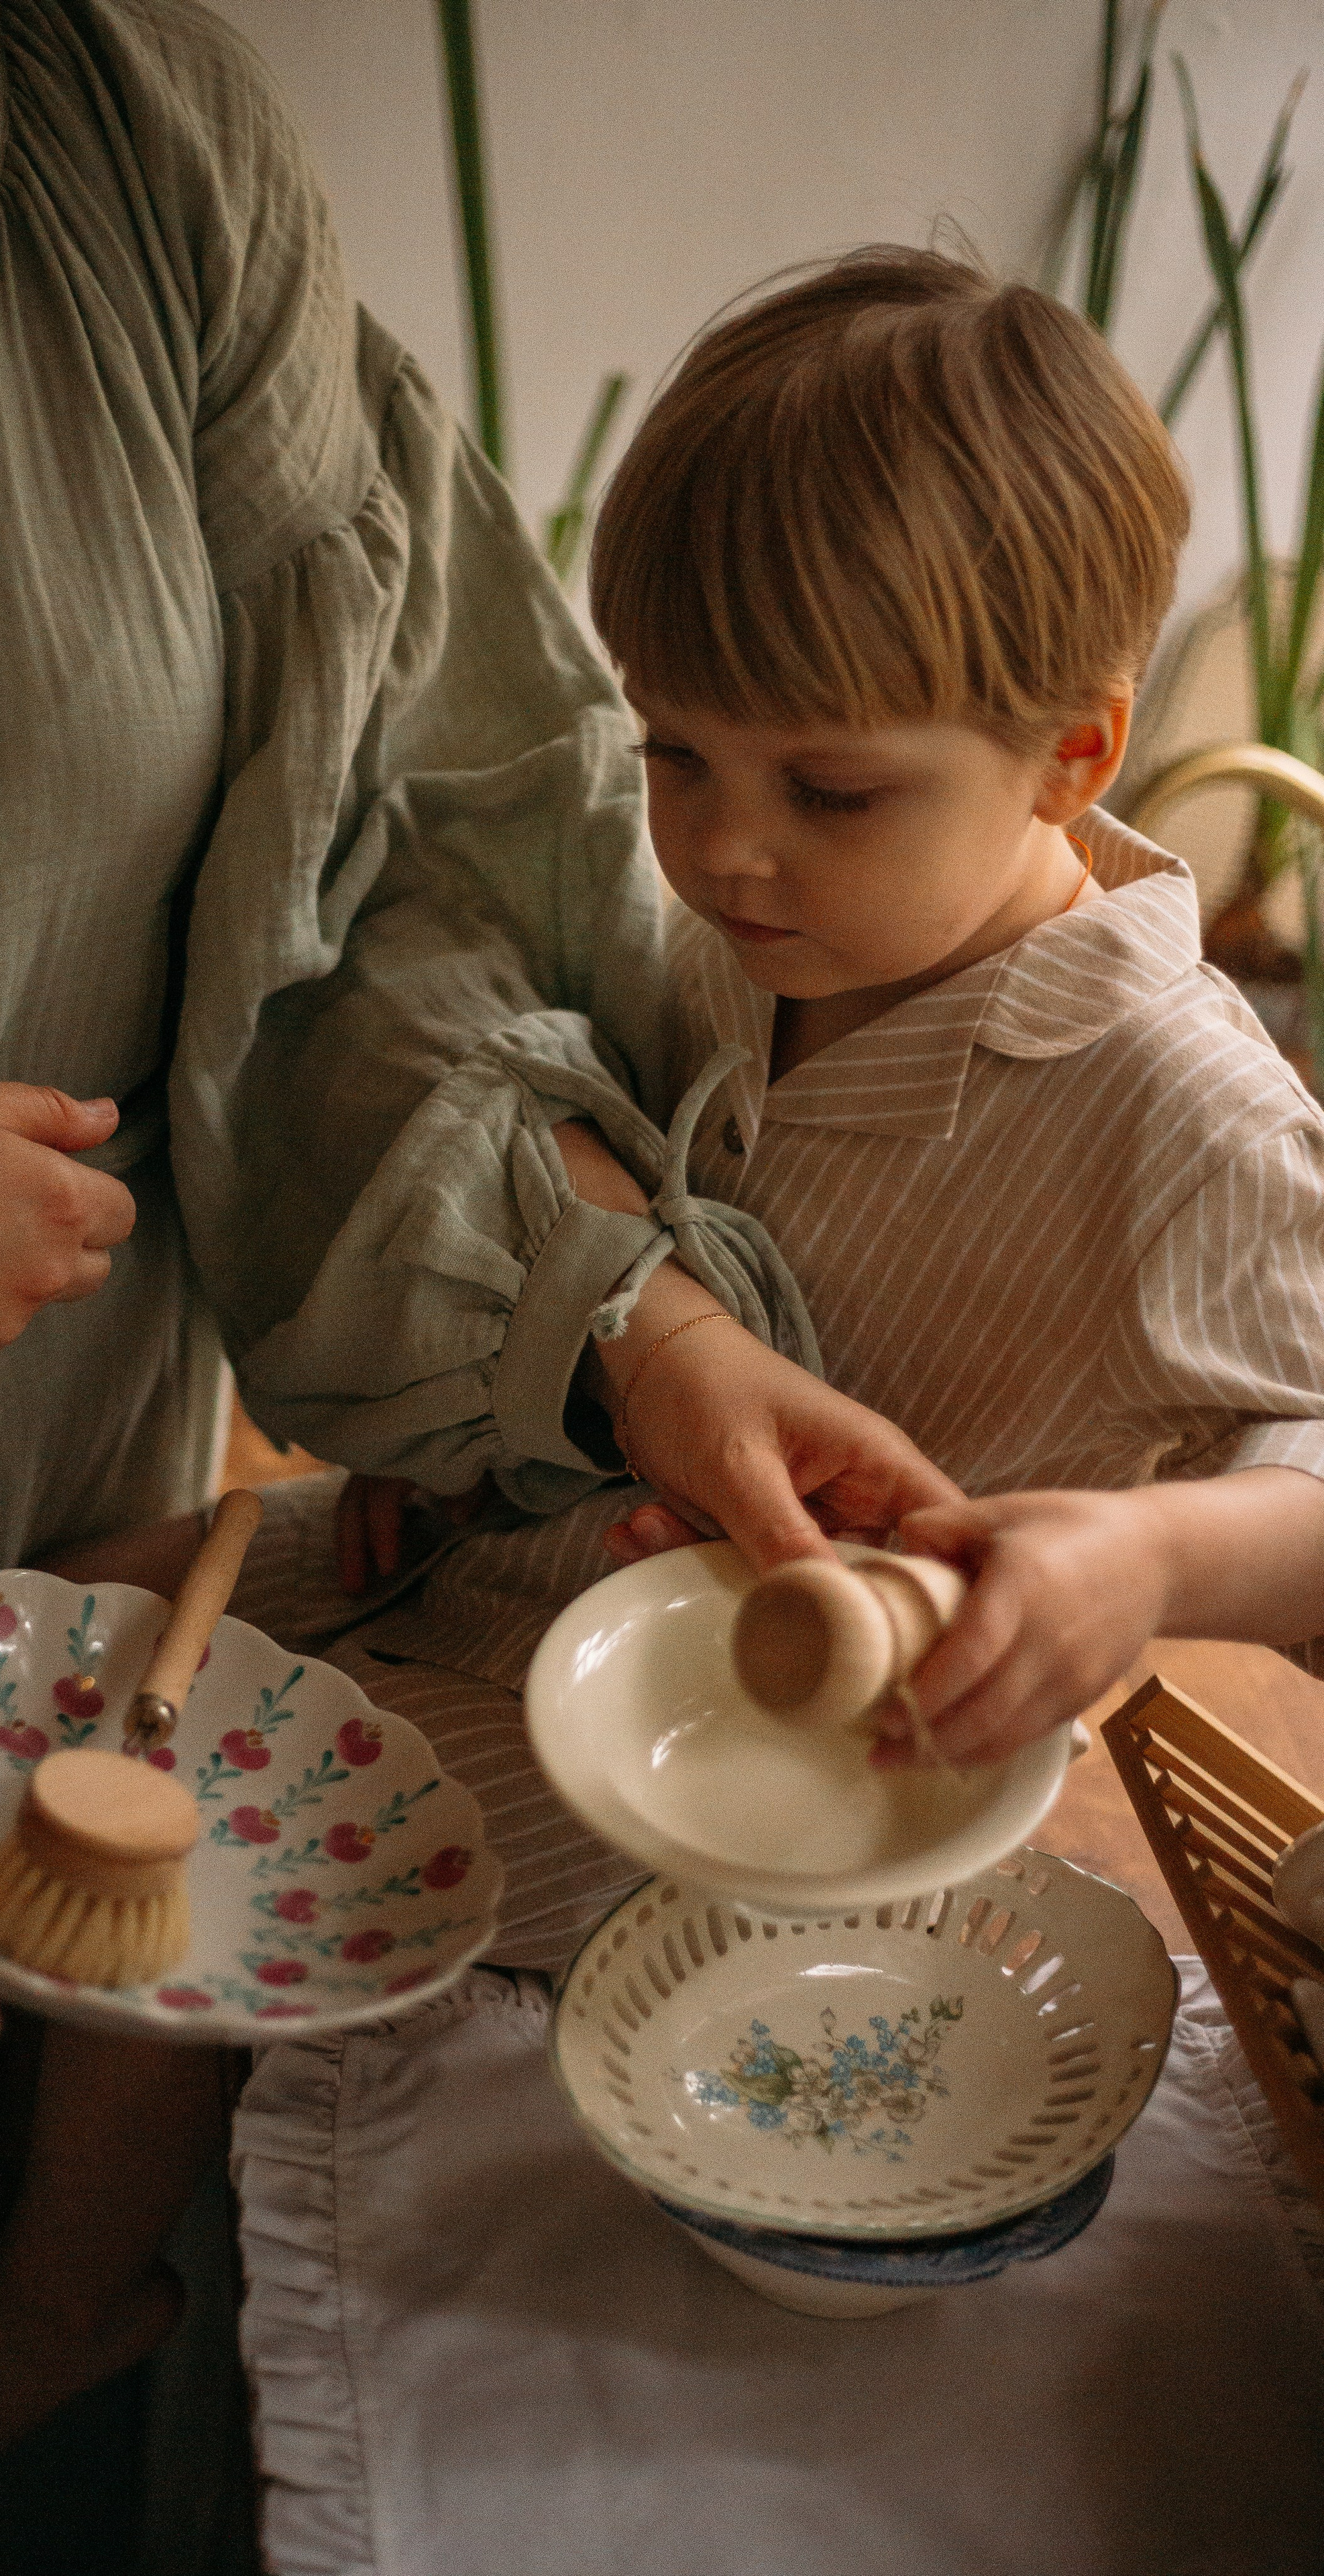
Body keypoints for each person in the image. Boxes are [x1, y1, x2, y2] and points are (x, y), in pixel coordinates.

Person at [0, 11, 950, 2565]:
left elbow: (370, 890)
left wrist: (638, 1332)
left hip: (101, 1660)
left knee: (46, 2407)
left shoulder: (154, 151)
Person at [579, 244, 1324, 1754]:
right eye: (673, 754)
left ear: (1071, 757)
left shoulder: (1181, 1111)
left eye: (829, 790)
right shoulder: (744, 935)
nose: (720, 845)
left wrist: (1148, 1562)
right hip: (564, 1603)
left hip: (796, 1762)